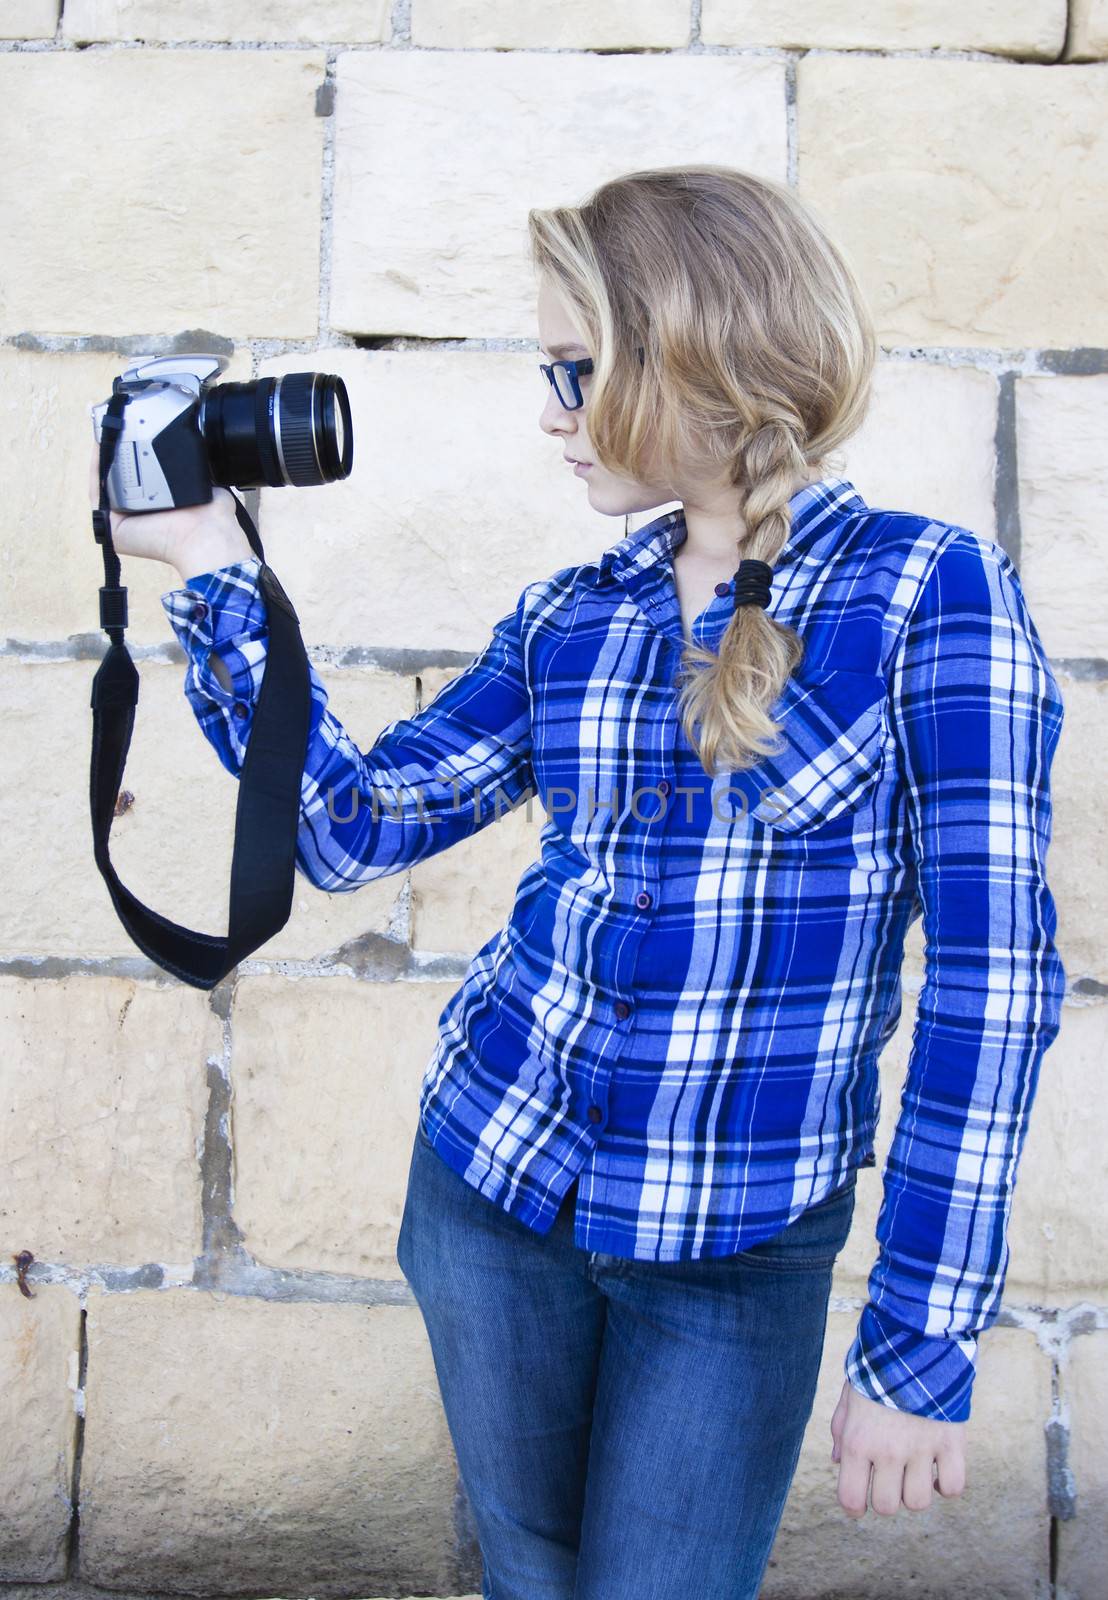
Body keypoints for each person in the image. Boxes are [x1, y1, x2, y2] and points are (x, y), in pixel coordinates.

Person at [90, 164, 1066, 1600]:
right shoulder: (571, 615)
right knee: (533, 1578)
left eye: (572, 367)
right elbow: (350, 828)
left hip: (732, 1250)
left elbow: (993, 983)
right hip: (491, 1194)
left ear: (690, 358)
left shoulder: (931, 596)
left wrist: (920, 1338)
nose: (549, 412)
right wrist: (209, 568)